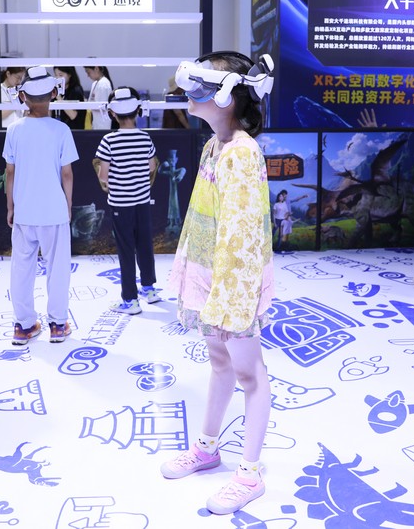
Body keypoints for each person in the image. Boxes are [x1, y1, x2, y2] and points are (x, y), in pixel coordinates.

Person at [161, 51, 275, 515]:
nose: (189, 95)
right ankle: (208, 448)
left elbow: (243, 237)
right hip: (210, 280)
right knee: (220, 363)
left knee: (250, 374)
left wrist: (231, 301)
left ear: (227, 96)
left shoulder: (242, 152)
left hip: (234, 289)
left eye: (199, 87)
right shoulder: (215, 145)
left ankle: (249, 473)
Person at [3, 66, 78, 344]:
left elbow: (10, 172)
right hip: (54, 211)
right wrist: (68, 205)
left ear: (23, 96)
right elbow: (67, 174)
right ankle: (57, 325)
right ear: (54, 93)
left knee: (21, 270)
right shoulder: (61, 130)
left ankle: (23, 326)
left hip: (24, 211)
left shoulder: (14, 130)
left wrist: (10, 206)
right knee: (57, 269)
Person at [94, 87, 161, 315]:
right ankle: (149, 289)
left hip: (120, 203)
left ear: (113, 114)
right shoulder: (145, 137)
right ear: (137, 111)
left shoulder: (108, 140)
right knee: (145, 244)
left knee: (126, 249)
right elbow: (151, 166)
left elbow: (103, 176)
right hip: (142, 200)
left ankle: (130, 300)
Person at [55, 66, 86, 130]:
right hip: (58, 129)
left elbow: (73, 115)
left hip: (75, 131)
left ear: (69, 74)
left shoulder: (76, 91)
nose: (58, 78)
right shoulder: (58, 90)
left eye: (60, 75)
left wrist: (60, 99)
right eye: (56, 75)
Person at [84, 65, 114, 130]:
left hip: (103, 124)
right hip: (95, 122)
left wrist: (87, 105)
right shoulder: (95, 83)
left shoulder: (103, 84)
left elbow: (102, 106)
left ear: (96, 68)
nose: (88, 75)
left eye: (88, 72)